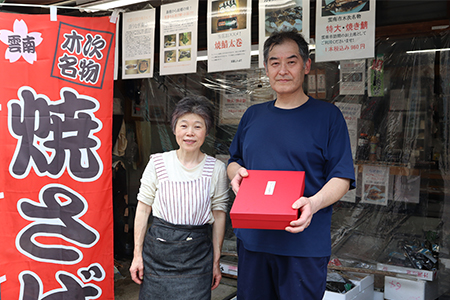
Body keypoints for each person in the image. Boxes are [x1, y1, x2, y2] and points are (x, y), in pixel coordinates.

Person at [227, 31, 355, 299]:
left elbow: (341, 177)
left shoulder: (328, 116)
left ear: (306, 66)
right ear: (266, 69)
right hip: (253, 242)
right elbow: (234, 161)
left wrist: (314, 203)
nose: (282, 70)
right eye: (274, 63)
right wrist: (235, 174)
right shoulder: (253, 115)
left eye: (291, 61)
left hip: (303, 244)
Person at [130, 95, 229, 300]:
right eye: (184, 125)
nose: (189, 133)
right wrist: (137, 256)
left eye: (197, 126)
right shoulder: (158, 163)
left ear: (207, 131)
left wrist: (216, 261)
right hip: (158, 252)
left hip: (198, 255)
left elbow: (219, 214)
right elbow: (143, 208)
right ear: (175, 128)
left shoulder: (217, 169)